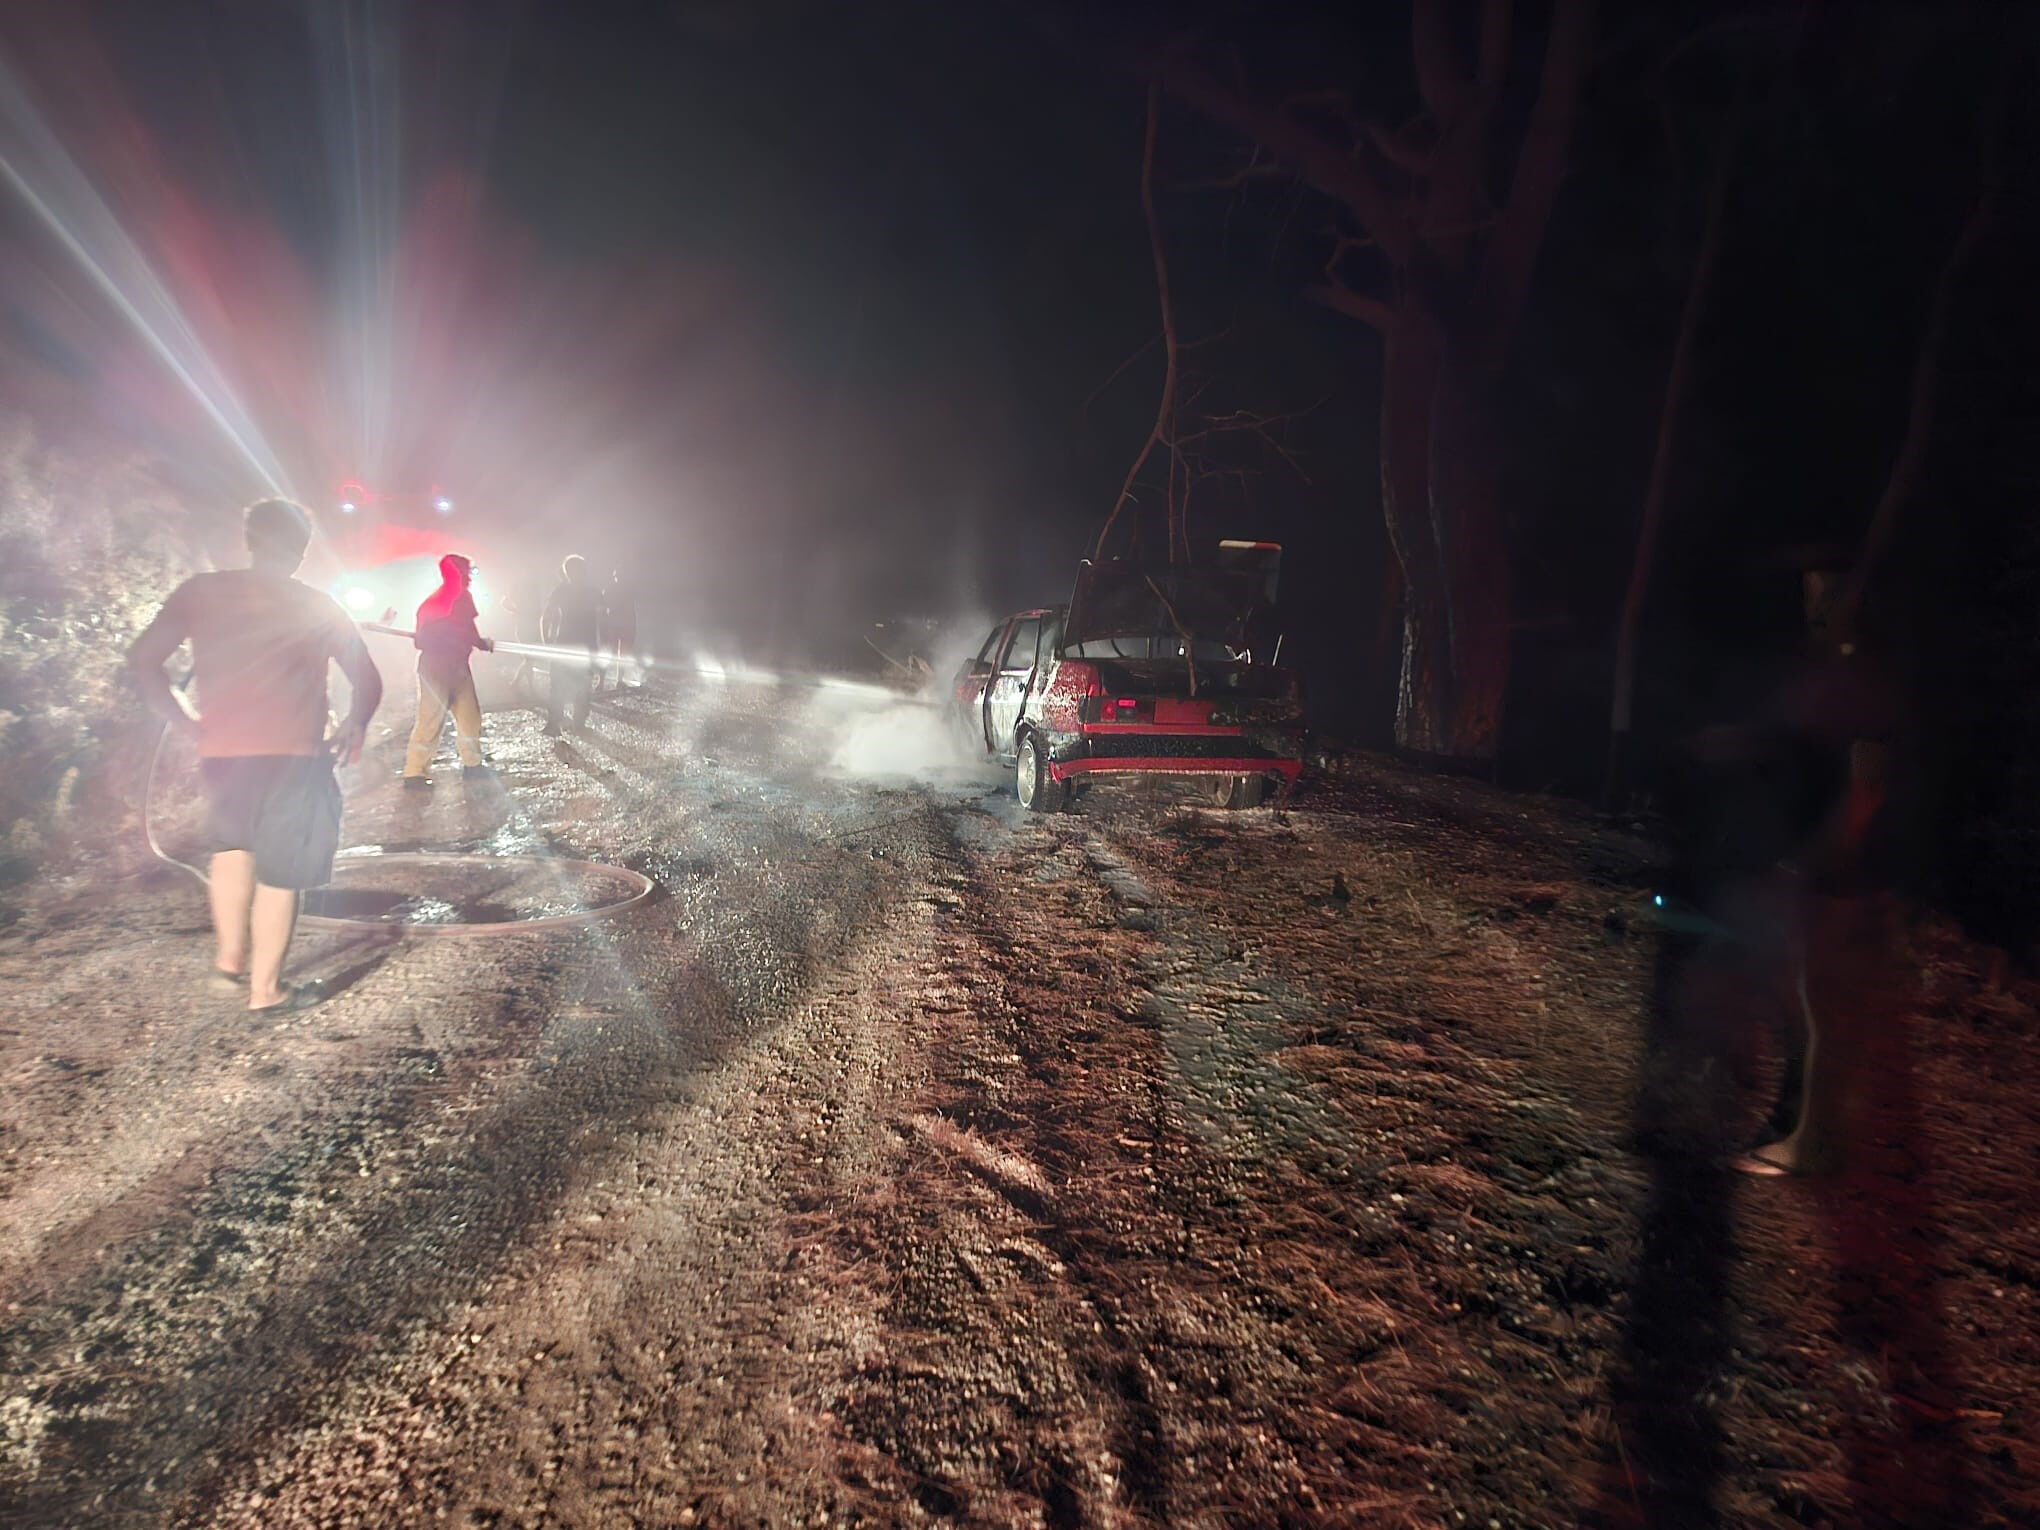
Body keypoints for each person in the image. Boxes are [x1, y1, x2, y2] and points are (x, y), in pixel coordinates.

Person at [129, 498, 383, 1012]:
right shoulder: (316, 604)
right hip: (296, 757)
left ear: (251, 539)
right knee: (282, 875)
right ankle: (266, 991)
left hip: (223, 753)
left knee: (231, 850)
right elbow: (367, 679)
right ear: (301, 549)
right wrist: (355, 723)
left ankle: (229, 963)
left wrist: (182, 721)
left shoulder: (201, 592)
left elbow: (142, 660)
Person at [402, 553, 495, 787]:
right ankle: (414, 772)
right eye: (465, 572)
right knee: (432, 717)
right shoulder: (454, 598)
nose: (469, 578)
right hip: (438, 666)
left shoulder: (436, 601)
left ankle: (472, 764)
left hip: (454, 665)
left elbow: (424, 639)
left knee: (469, 716)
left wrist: (475, 642)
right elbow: (464, 631)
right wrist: (480, 642)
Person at [543, 553, 603, 735]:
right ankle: (571, 724)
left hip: (571, 644)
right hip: (579, 644)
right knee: (572, 685)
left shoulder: (563, 591)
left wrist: (547, 639)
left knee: (567, 685)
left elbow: (546, 616)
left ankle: (561, 723)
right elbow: (547, 616)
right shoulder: (591, 593)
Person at [600, 567, 637, 692]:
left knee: (622, 654)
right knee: (609, 653)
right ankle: (602, 681)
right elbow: (605, 608)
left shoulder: (627, 590)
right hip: (614, 625)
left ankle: (618, 681)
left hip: (624, 625)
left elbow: (631, 610)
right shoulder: (610, 590)